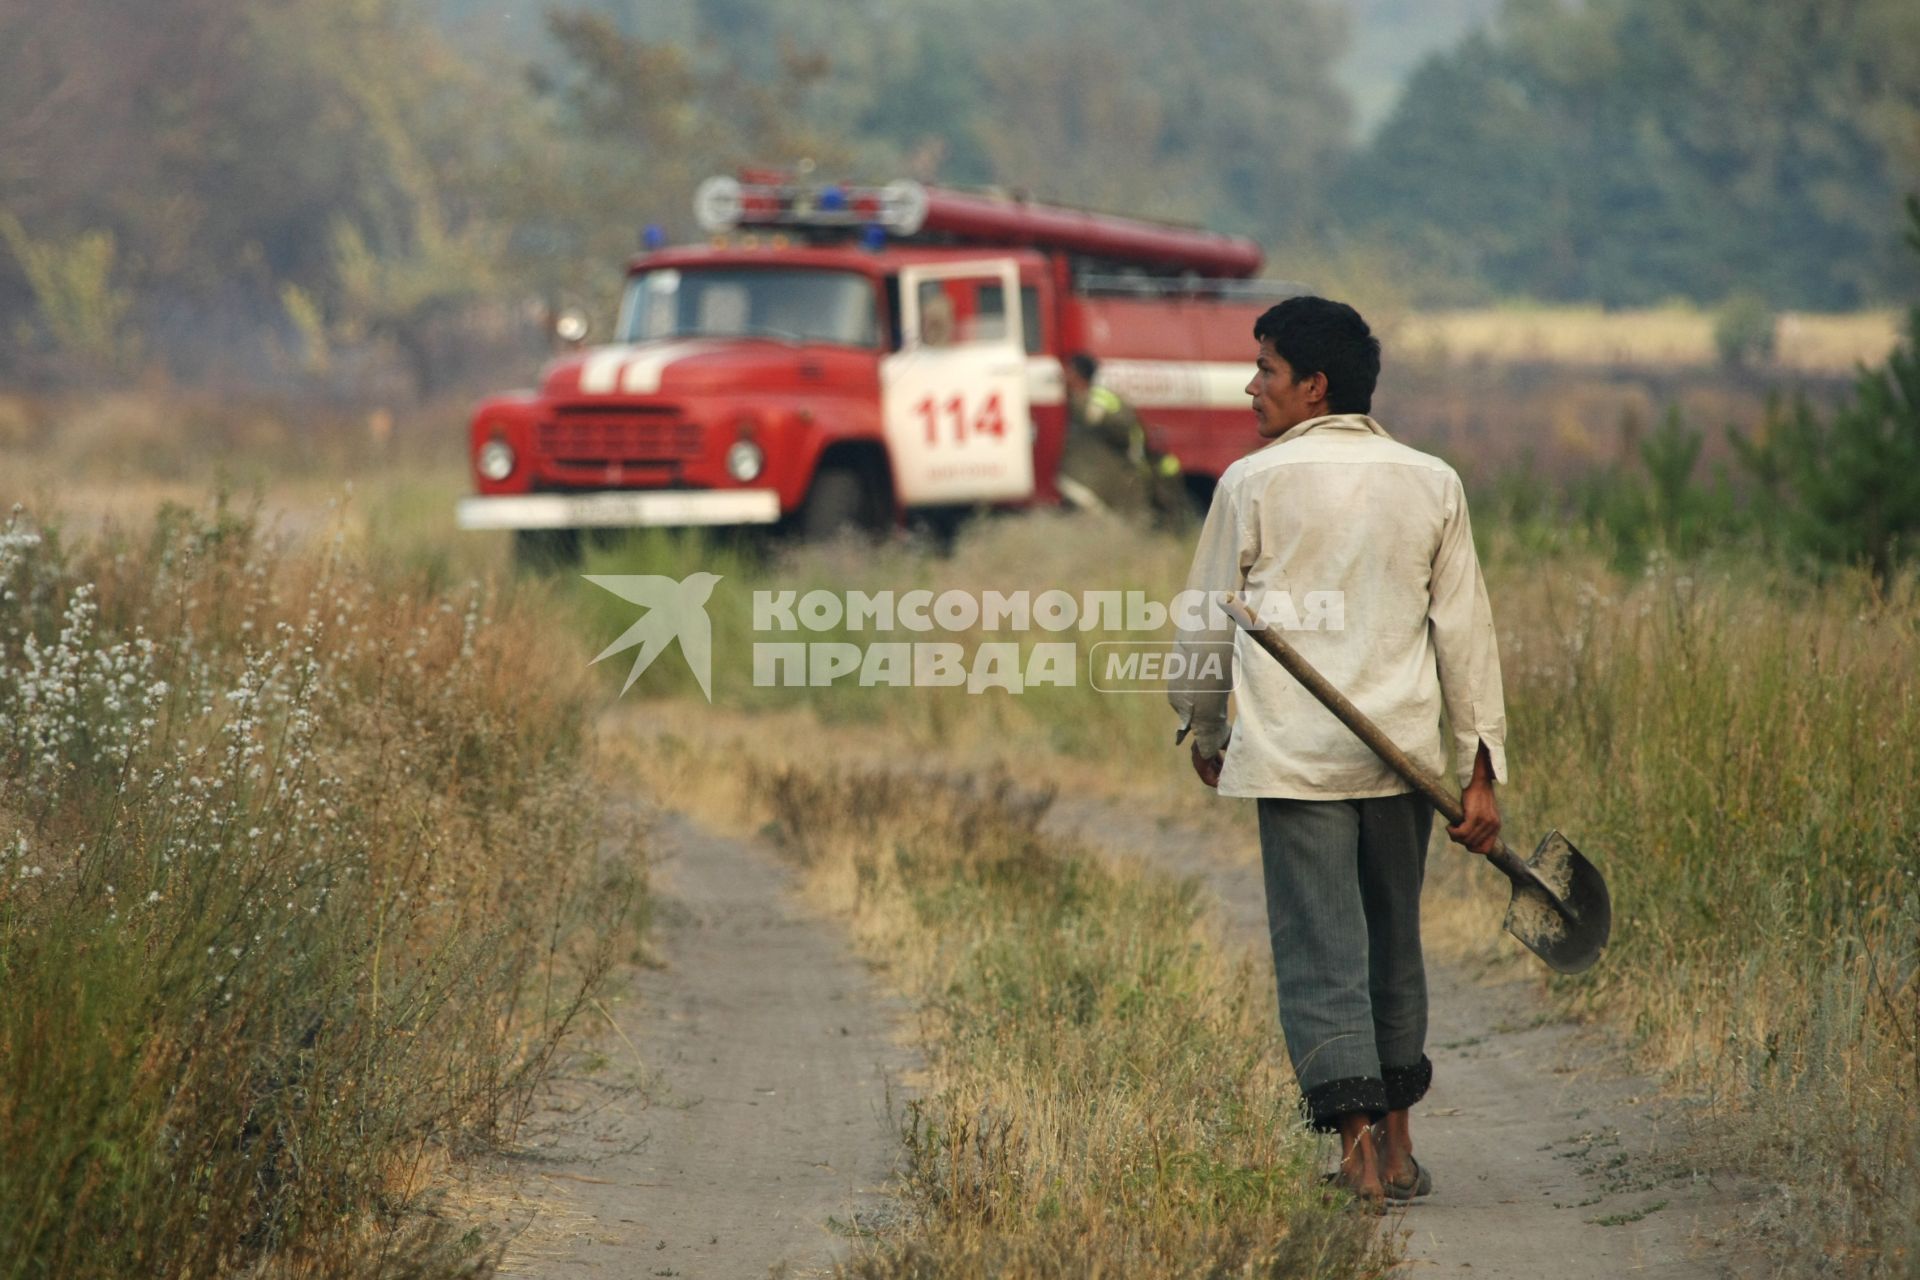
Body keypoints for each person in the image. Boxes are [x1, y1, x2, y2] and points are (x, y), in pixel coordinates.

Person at [1167, 296, 1507, 1208]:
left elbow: (1202, 625)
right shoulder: (1432, 481)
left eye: (1266, 369)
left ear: (1314, 387)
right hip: (1407, 769)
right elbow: (1465, 635)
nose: (1251, 387)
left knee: (1322, 950)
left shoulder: (1252, 484)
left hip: (1296, 763)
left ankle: (1357, 1156)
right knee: (1394, 942)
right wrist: (1478, 771)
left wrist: (1204, 727)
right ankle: (1397, 1148)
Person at [1059, 352, 1185, 521]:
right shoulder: (1091, 398)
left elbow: (1126, 432)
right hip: (1095, 479)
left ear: (1077, 374)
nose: (1063, 376)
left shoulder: (1096, 401)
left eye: (1068, 371)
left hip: (1103, 481)